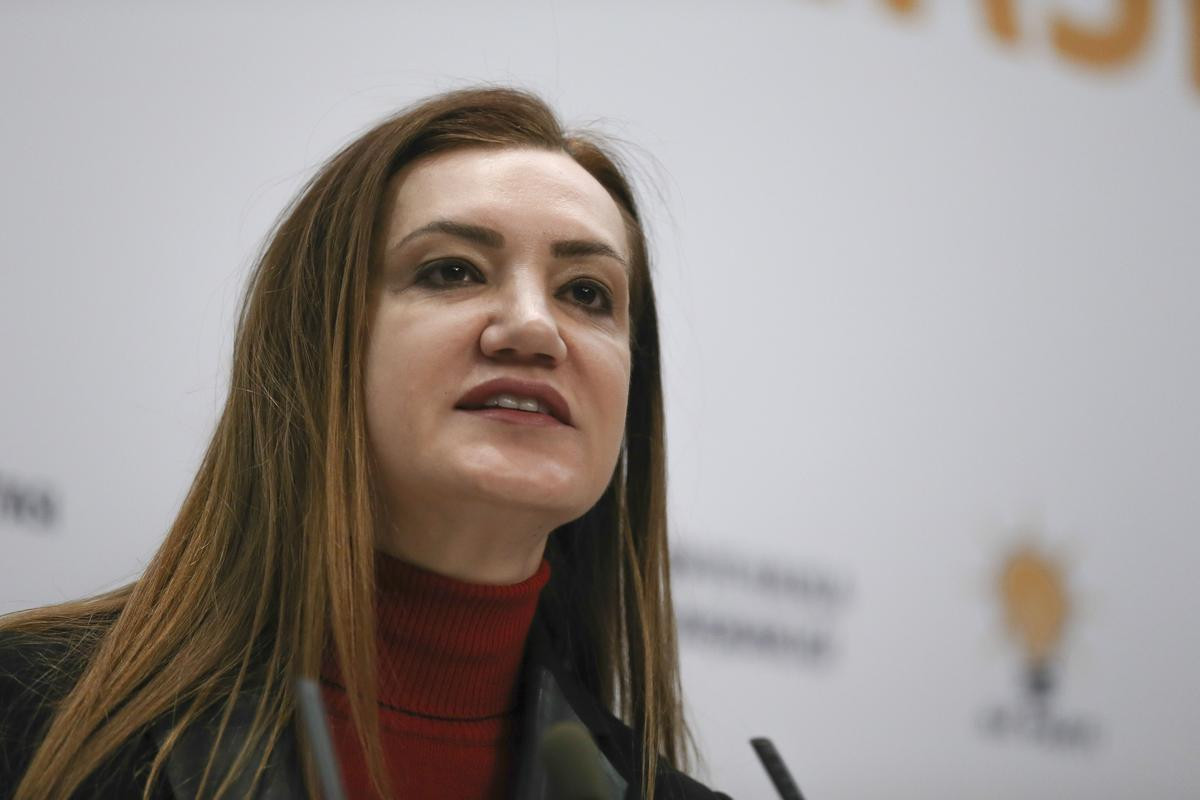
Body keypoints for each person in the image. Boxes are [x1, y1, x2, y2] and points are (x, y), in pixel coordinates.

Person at [0, 87, 728, 800]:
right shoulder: (25, 708)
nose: (535, 328)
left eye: (587, 293)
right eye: (453, 271)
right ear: (321, 347)